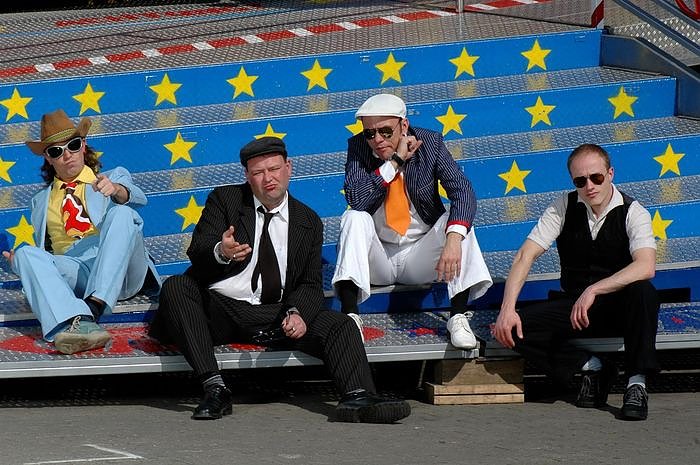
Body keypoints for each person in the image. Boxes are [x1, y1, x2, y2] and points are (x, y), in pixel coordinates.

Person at [148, 136, 411, 423]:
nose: (268, 179)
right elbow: (198, 251)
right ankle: (215, 389)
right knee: (177, 287)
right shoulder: (225, 200)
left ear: (288, 168)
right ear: (247, 176)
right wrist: (221, 251)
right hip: (222, 310)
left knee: (341, 325)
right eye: (258, 173)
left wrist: (297, 313)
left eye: (273, 169)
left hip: (275, 314)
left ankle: (358, 398)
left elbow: (309, 284)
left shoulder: (308, 221)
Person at [494, 143, 659, 421]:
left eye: (596, 177)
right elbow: (525, 255)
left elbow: (646, 265)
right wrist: (507, 308)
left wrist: (595, 289)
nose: (589, 186)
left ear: (610, 174)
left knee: (644, 291)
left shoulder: (633, 211)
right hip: (576, 309)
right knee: (510, 328)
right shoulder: (562, 206)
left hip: (620, 309)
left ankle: (636, 384)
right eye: (580, 181)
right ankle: (593, 366)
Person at [332, 94, 492, 348]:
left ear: (404, 125)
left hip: (420, 255)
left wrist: (453, 240)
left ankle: (458, 317)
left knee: (458, 225)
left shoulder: (430, 143)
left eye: (385, 131)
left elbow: (463, 191)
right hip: (378, 258)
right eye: (369, 133)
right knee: (353, 217)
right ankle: (350, 318)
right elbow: (357, 199)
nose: (377, 139)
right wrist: (394, 162)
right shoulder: (359, 147)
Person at [3, 109, 160, 354]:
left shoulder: (112, 177)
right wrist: (22, 265)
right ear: (48, 158)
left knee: (123, 213)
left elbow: (139, 199)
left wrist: (117, 190)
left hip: (123, 270)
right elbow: (47, 256)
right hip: (78, 272)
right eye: (56, 151)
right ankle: (77, 324)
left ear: (83, 146)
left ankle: (93, 307)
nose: (67, 155)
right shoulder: (39, 201)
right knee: (25, 254)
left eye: (73, 145)